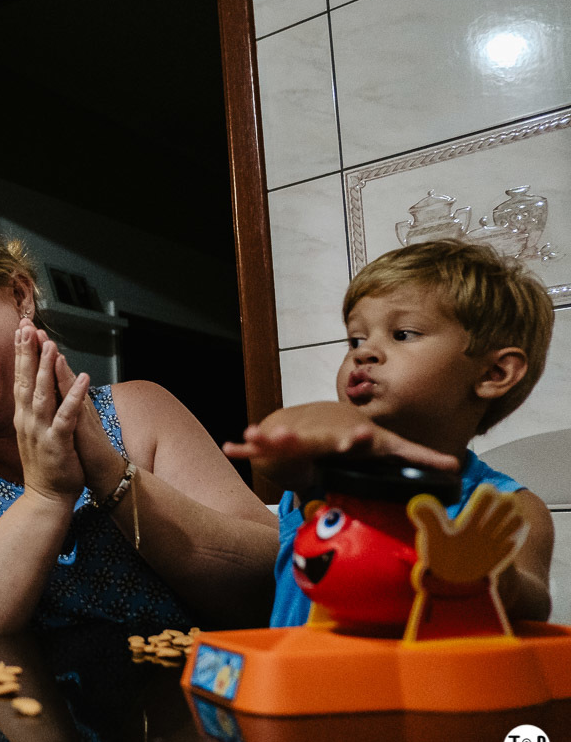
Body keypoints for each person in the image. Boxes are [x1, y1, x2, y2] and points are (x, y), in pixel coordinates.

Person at [0, 216, 279, 649]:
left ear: (19, 295)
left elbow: (274, 586)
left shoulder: (140, 411)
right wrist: (46, 497)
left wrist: (112, 475)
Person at [223, 239, 555, 627]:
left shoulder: (506, 506)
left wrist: (485, 572)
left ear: (493, 374)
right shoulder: (324, 477)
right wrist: (367, 438)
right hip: (294, 684)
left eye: (403, 334)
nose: (364, 353)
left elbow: (535, 606)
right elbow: (272, 444)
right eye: (356, 340)